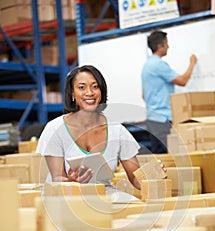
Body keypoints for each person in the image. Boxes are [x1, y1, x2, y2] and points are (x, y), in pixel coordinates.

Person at [36, 64, 142, 195]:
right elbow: (58, 180)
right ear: (72, 93)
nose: (89, 93)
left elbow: (135, 177)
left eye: (95, 86)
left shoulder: (117, 130)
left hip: (104, 195)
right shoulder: (55, 129)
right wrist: (72, 180)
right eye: (81, 87)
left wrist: (153, 177)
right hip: (66, 197)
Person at [141, 30, 198, 154]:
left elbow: (144, 95)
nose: (168, 47)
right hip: (162, 120)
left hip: (153, 119)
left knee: (161, 157)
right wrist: (192, 63)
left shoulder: (147, 65)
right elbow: (182, 81)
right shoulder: (158, 65)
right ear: (160, 46)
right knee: (170, 157)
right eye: (167, 44)